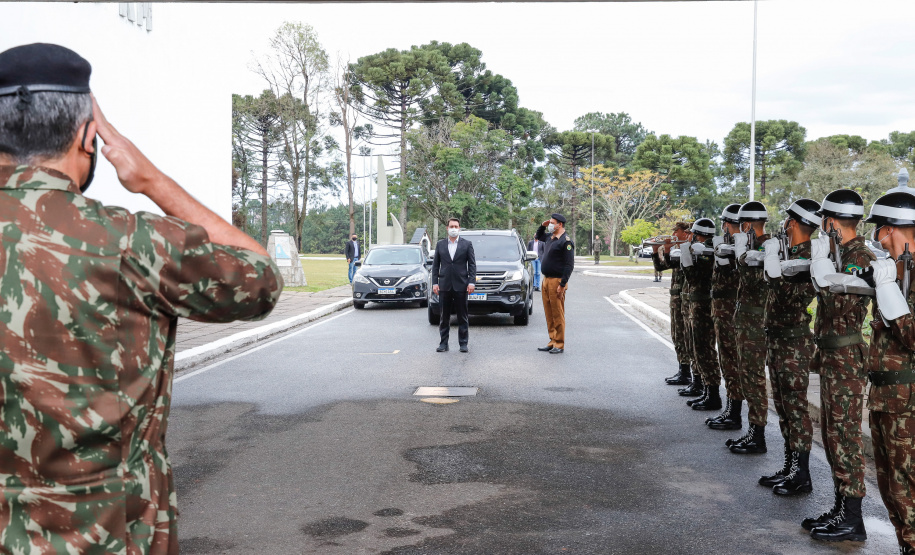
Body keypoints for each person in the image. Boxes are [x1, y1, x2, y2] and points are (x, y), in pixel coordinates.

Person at [0, 44, 282, 554]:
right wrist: (150, 180)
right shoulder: (129, 242)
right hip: (111, 532)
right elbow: (258, 280)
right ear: (89, 136)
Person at [802, 189, 874, 542]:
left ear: (830, 222)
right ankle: (841, 507)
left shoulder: (858, 255)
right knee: (833, 436)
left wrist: (823, 267)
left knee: (845, 436)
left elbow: (837, 304)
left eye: (822, 224)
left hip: (846, 359)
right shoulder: (840, 252)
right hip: (832, 355)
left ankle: (854, 519)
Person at [862, 191, 915, 553]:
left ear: (894, 230)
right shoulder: (897, 271)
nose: (878, 238)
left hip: (908, 402)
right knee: (892, 486)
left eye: (881, 229)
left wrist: (889, 291)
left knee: (907, 482)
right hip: (885, 397)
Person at [758, 199, 820, 496]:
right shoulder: (790, 252)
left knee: (795, 408)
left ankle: (802, 474)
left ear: (793, 223)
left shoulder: (810, 256)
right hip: (778, 337)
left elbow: (791, 297)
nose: (783, 225)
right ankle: (790, 466)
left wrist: (776, 267)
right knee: (782, 406)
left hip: (794, 341)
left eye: (786, 221)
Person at [727, 201, 771, 455]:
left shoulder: (767, 247)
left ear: (746, 225)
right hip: (746, 322)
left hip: (755, 324)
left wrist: (742, 256)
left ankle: (758, 434)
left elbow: (754, 282)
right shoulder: (755, 246)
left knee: (754, 380)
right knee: (747, 377)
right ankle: (753, 431)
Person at [707, 204, 744, 431]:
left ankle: (735, 413)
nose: (724, 229)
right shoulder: (728, 246)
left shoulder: (743, 247)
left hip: (733, 314)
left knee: (732, 364)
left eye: (725, 225)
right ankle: (731, 409)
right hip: (724, 313)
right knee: (727, 363)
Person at [680, 218, 723, 412]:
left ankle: (712, 392)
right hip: (700, 304)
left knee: (704, 350)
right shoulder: (703, 249)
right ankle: (707, 389)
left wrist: (687, 262)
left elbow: (694, 279)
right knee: (700, 350)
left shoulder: (706, 252)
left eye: (693, 234)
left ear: (698, 234)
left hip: (703, 305)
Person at [651, 223, 693, 386]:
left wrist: (668, 250)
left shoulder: (690, 250)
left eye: (677, 231)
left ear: (685, 233)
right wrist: (657, 250)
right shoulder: (677, 249)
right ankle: (683, 369)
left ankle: (689, 373)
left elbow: (680, 266)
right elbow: (661, 267)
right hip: (676, 298)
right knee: (677, 334)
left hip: (686, 299)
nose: (674, 233)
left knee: (685, 336)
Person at [431, 217, 476, 353]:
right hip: (444, 285)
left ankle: (463, 343)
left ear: (459, 228)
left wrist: (471, 282)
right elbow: (435, 266)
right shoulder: (440, 244)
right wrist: (434, 283)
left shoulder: (467, 244)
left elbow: (472, 265)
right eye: (451, 226)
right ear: (447, 228)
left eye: (456, 226)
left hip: (461, 285)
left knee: (462, 316)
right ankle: (443, 343)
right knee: (444, 316)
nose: (454, 229)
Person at [535, 213, 574, 354]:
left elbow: (569, 265)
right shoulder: (551, 238)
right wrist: (542, 225)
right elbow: (539, 236)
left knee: (557, 314)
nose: (550, 224)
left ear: (560, 225)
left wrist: (562, 284)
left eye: (552, 223)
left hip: (557, 281)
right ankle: (552, 340)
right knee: (549, 313)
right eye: (550, 222)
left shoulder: (566, 241)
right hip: (546, 280)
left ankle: (559, 343)